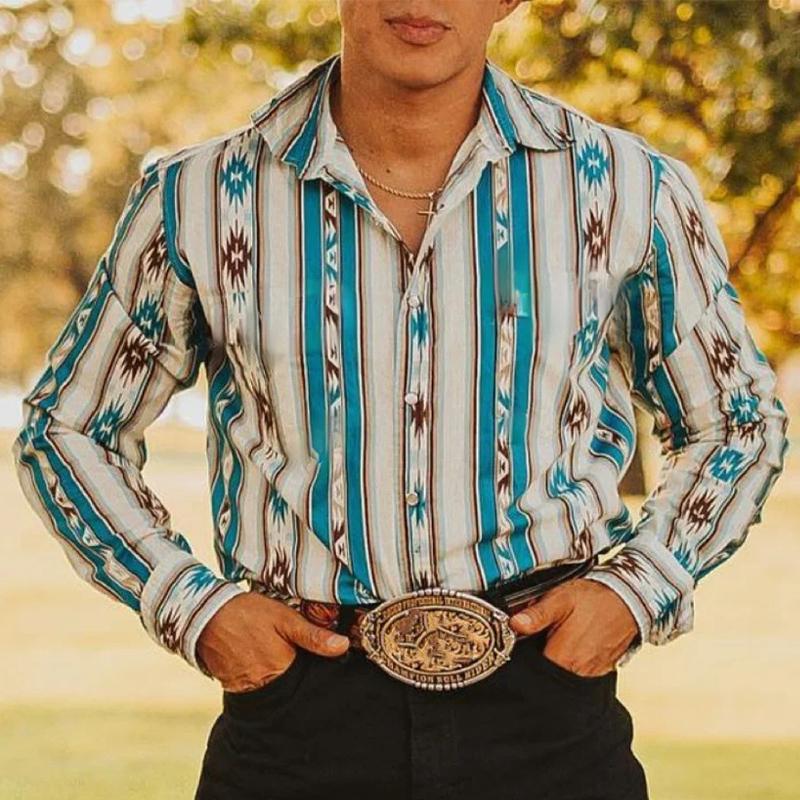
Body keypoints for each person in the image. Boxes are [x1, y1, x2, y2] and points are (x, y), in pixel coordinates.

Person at [12, 1, 790, 799]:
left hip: (548, 710)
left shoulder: (625, 187)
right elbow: (67, 428)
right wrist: (193, 608)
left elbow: (739, 422)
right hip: (297, 716)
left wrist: (636, 590)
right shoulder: (200, 199)